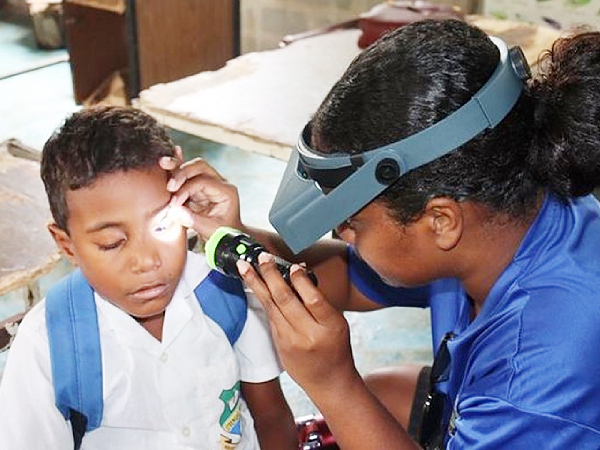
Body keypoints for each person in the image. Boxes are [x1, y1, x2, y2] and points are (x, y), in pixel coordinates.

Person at [162, 19, 600, 449]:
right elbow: (352, 278)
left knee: (362, 403)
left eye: (354, 222)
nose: (339, 231)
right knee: (387, 394)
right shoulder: (506, 214)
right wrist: (234, 236)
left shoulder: (535, 374)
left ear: (441, 222)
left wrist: (334, 385)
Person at [0, 106, 298, 450]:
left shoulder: (225, 293)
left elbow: (272, 417)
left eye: (163, 225)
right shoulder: (48, 346)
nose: (147, 261)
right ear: (67, 245)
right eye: (112, 243)